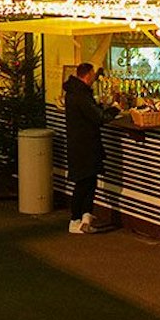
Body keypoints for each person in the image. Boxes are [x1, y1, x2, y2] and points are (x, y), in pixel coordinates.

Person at [63, 62, 118, 234]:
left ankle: (85, 217)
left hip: (80, 145)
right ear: (87, 75)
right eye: (93, 74)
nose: (95, 77)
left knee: (89, 181)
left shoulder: (74, 93)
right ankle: (75, 220)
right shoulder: (81, 95)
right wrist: (115, 109)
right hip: (85, 146)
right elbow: (98, 117)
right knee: (84, 183)